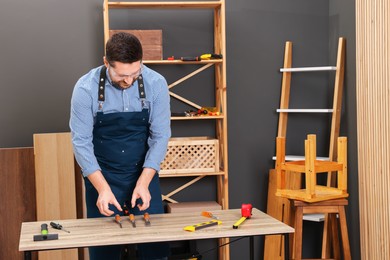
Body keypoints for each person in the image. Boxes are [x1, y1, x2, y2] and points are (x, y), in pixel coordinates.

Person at [70, 32, 171, 260]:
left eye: (135, 73)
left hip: (143, 175)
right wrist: (102, 188)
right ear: (106, 63)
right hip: (102, 178)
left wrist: (144, 182)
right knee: (104, 252)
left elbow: (160, 136)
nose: (129, 81)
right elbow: (81, 142)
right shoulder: (85, 89)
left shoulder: (156, 84)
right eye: (122, 75)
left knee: (154, 251)